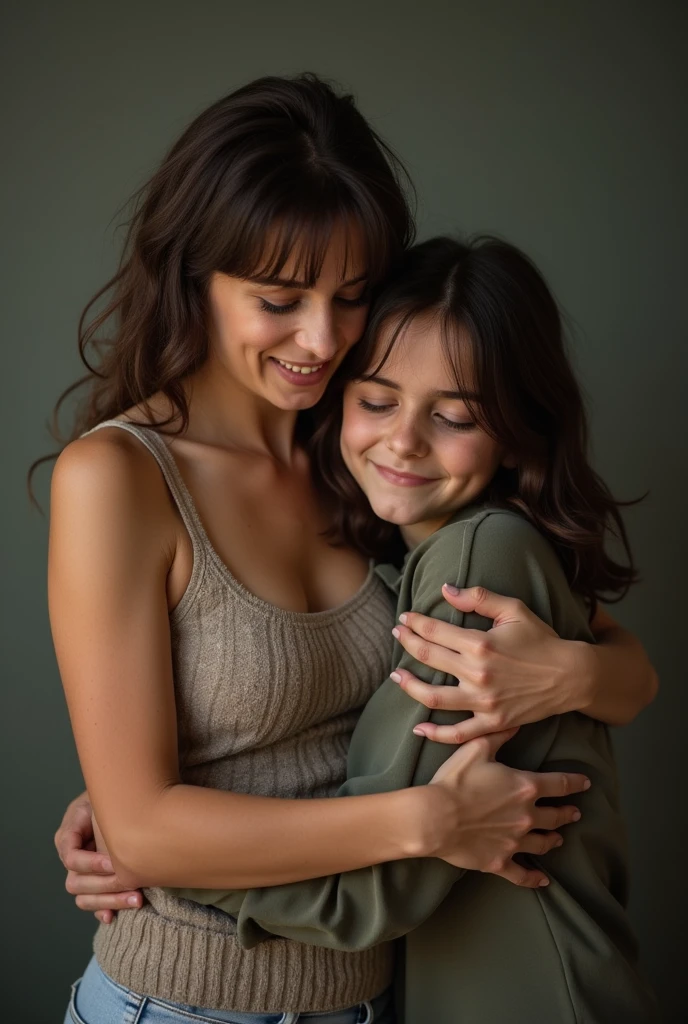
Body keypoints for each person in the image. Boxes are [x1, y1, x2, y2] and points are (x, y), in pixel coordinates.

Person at [47, 75, 657, 1024]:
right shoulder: (120, 480)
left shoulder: (368, 452)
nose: (322, 339)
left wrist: (566, 675)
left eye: (351, 295)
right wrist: (427, 824)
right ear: (193, 279)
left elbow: (631, 674)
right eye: (279, 299)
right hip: (183, 1003)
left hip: (369, 998)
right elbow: (146, 829)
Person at [156, 236, 660, 1021]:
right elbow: (625, 663)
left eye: (455, 416)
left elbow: (371, 895)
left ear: (515, 429)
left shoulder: (478, 557)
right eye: (378, 401)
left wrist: (157, 856)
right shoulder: (411, 552)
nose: (404, 442)